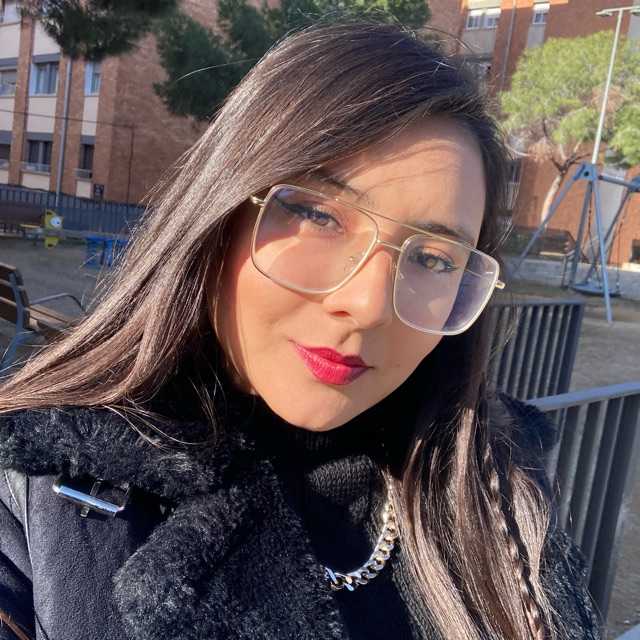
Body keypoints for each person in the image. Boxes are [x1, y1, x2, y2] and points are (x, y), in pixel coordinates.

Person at [0, 17, 602, 640]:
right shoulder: (34, 492)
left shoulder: (498, 491)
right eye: (317, 214)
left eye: (433, 258)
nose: (368, 305)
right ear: (222, 211)